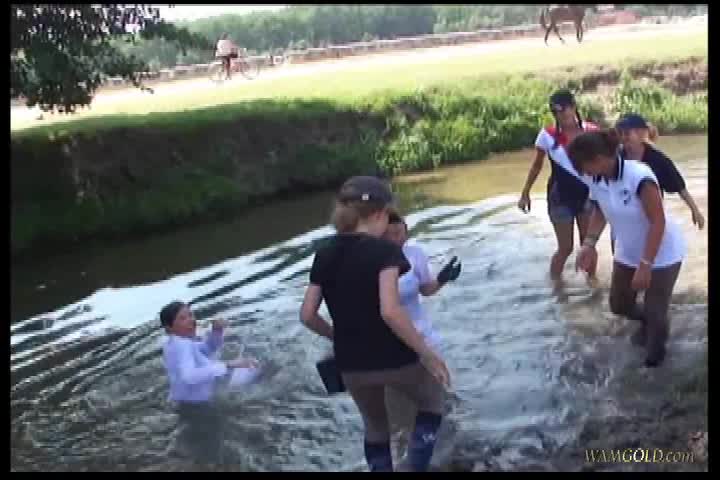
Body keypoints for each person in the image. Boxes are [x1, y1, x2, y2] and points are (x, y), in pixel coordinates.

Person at [299, 176, 450, 472]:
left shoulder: (324, 253)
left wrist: (337, 336)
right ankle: (416, 467)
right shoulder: (385, 252)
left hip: (351, 362)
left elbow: (307, 315)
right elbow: (390, 311)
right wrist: (427, 354)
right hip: (393, 356)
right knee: (433, 403)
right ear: (380, 213)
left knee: (376, 427)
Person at [568, 130, 686, 368]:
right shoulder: (595, 178)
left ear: (599, 159)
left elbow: (658, 222)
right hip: (627, 250)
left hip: (662, 252)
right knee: (619, 304)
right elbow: (600, 210)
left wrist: (646, 264)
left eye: (582, 166)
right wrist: (589, 244)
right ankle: (652, 320)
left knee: (656, 313)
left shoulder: (639, 176)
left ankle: (654, 366)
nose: (581, 172)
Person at [160, 301, 257, 462]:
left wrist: (216, 331)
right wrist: (228, 364)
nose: (191, 320)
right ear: (169, 328)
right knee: (259, 368)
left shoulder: (176, 343)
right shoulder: (181, 346)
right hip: (199, 404)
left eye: (190, 315)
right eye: (182, 318)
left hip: (188, 400)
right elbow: (189, 376)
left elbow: (206, 349)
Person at [518, 89, 599, 281]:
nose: (560, 115)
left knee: (588, 245)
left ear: (573, 107)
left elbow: (603, 164)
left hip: (587, 195)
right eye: (555, 112)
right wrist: (525, 193)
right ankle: (556, 287)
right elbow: (537, 166)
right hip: (559, 197)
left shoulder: (592, 132)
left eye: (563, 109)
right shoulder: (548, 135)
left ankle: (593, 284)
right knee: (565, 248)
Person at [383, 210, 462, 351]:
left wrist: (442, 279)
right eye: (391, 234)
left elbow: (425, 289)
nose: (398, 239)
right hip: (390, 336)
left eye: (400, 233)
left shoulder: (415, 253)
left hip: (422, 330)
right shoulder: (374, 260)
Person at [616, 113, 705, 230]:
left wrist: (695, 210)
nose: (623, 138)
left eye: (627, 133)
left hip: (650, 220)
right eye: (620, 133)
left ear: (642, 133)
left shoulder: (658, 159)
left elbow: (679, 187)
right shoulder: (615, 158)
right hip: (623, 220)